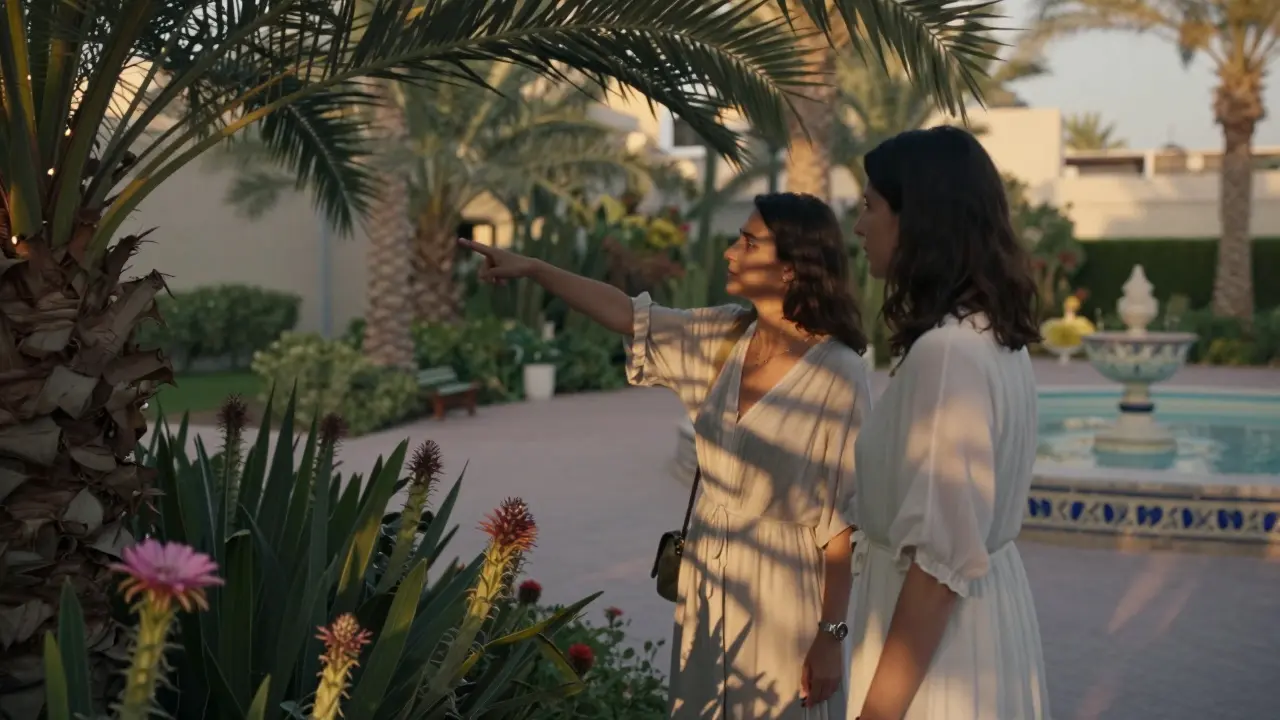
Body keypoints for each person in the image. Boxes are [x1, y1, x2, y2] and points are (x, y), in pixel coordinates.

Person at [459, 192, 870, 719]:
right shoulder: (724, 335)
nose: (729, 252)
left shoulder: (839, 372)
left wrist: (830, 636)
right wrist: (536, 269)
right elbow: (628, 314)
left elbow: (842, 522)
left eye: (747, 242)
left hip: (785, 590)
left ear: (791, 267)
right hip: (707, 578)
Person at [845, 125, 1051, 720]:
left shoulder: (948, 354)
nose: (859, 226)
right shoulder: (993, 339)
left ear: (918, 219)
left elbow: (937, 570)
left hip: (937, 659)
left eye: (870, 207)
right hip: (982, 622)